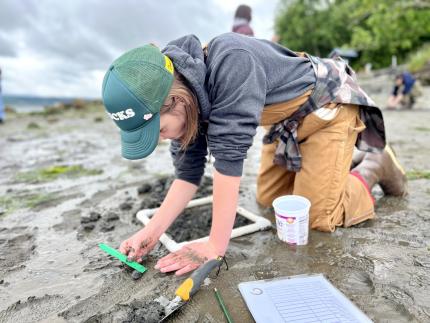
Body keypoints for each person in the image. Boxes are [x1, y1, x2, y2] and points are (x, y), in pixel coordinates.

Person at [101, 33, 407, 276]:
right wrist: (152, 231)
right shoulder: (187, 104)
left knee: (312, 218)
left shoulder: (232, 62)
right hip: (286, 123)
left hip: (327, 108)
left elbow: (229, 161)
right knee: (269, 201)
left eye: (159, 130)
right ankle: (337, 164)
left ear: (176, 100)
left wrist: (214, 246)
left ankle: (375, 166)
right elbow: (187, 174)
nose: (159, 140)